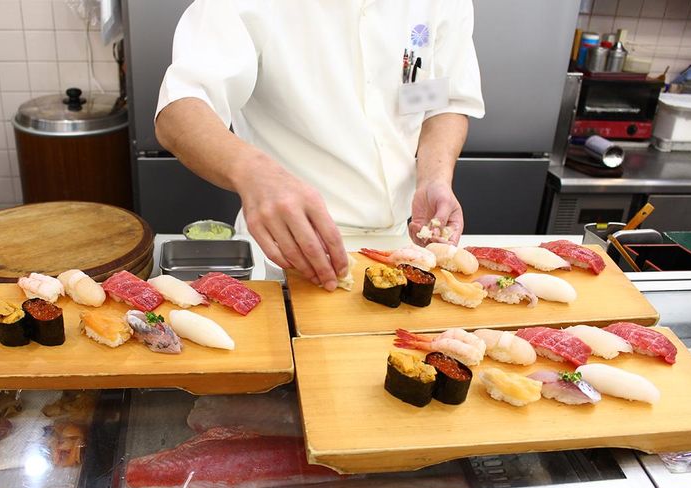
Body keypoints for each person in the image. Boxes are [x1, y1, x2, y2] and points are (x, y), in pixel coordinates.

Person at [154, 1, 485, 291]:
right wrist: (255, 174)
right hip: (293, 246)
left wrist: (433, 178)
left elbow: (440, 101)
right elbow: (180, 109)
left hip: (403, 242)